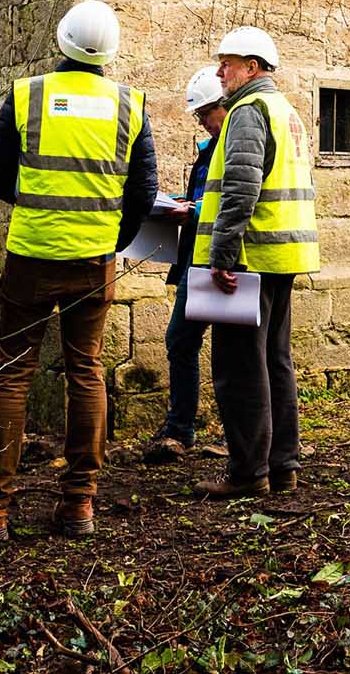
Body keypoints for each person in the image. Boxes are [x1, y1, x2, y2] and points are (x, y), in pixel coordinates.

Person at [0, 0, 158, 544]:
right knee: (86, 370)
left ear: (62, 39)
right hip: (94, 260)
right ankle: (79, 506)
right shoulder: (131, 105)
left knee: (12, 373)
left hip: (31, 256)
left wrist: (38, 205)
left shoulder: (28, 95)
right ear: (110, 52)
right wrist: (111, 240)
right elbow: (144, 192)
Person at [191, 26, 318, 498]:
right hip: (282, 254)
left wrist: (222, 254)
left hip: (249, 257)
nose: (220, 71)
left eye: (229, 62)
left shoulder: (249, 110)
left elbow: (241, 187)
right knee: (274, 360)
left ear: (253, 68)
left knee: (239, 367)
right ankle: (283, 466)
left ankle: (249, 473)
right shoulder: (285, 110)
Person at [143, 64, 227, 463]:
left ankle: (234, 431)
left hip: (222, 261)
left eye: (204, 114)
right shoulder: (210, 150)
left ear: (222, 106)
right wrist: (179, 203)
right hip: (196, 260)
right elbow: (205, 196)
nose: (203, 123)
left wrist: (190, 212)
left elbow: (232, 201)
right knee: (180, 341)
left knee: (231, 351)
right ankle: (181, 428)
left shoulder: (233, 145)